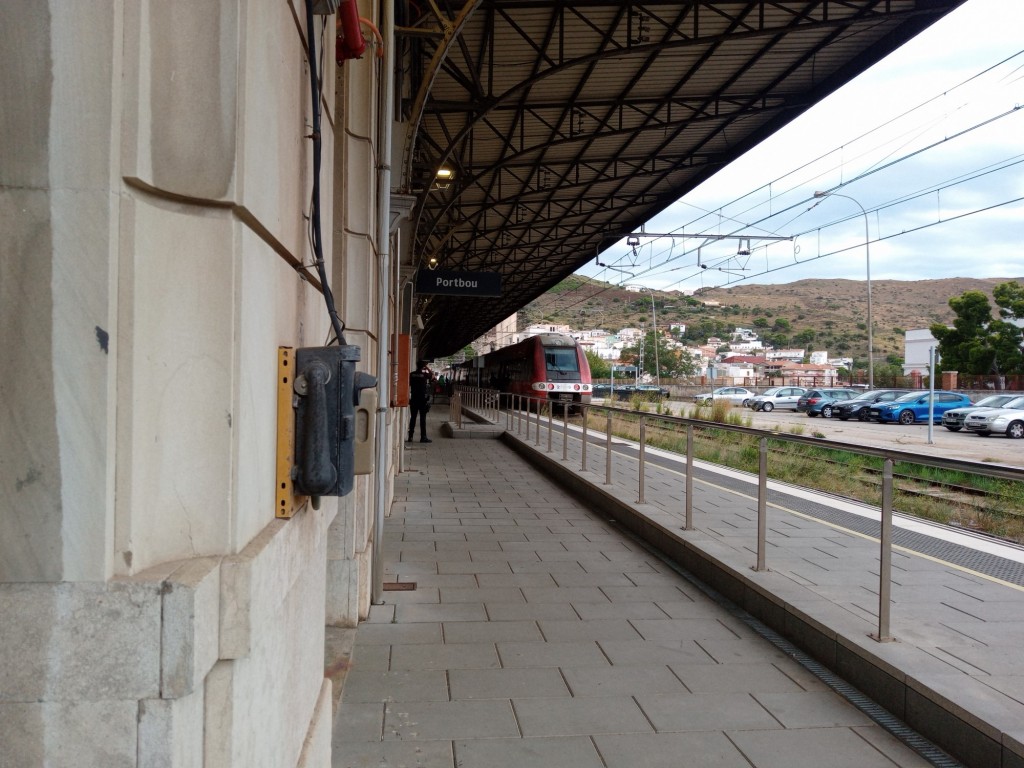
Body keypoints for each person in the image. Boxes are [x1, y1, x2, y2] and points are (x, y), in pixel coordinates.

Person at [408, 360, 433, 443]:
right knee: (423, 419)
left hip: (414, 398)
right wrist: (426, 367)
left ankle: (410, 437)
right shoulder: (424, 374)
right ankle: (423, 437)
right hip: (422, 399)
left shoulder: (411, 374)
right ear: (423, 367)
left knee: (413, 418)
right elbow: (431, 375)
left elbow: (408, 384)